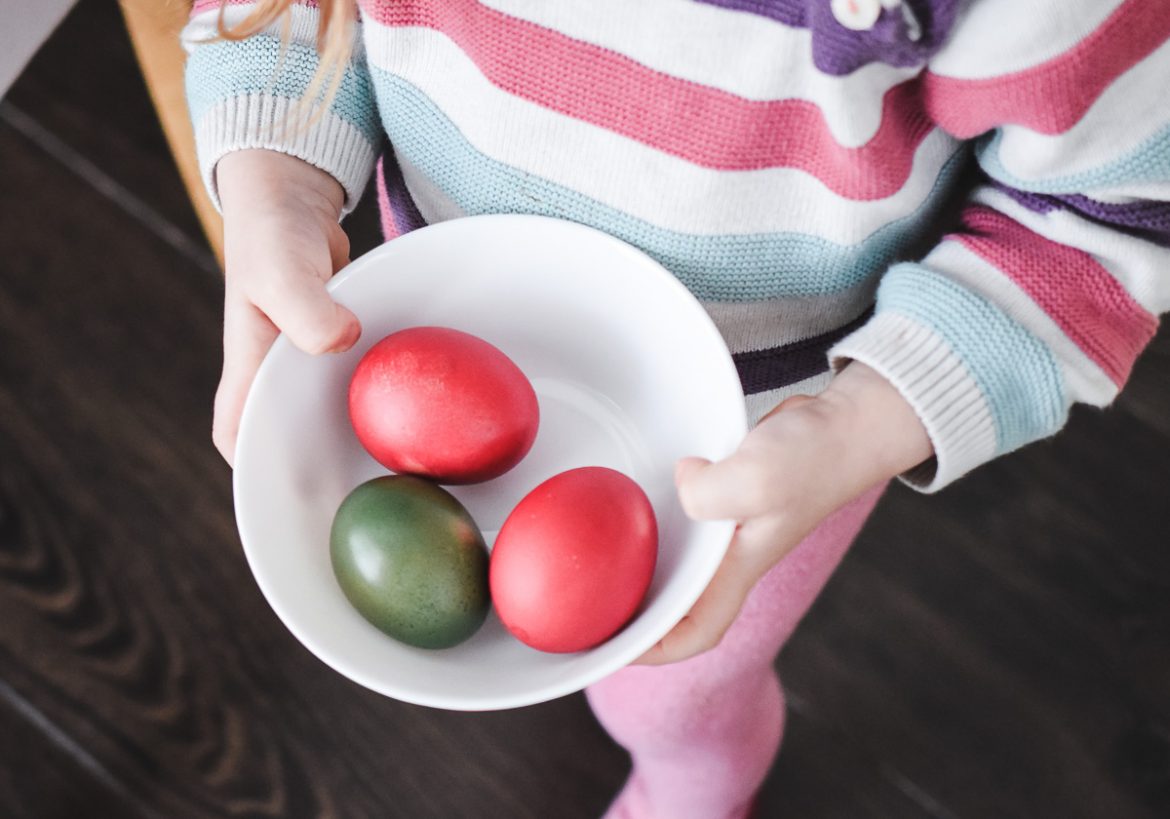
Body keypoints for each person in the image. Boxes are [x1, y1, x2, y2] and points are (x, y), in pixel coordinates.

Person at [182, 1, 1170, 816]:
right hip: (438, 285)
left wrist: (864, 421)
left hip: (769, 435)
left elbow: (1106, 219)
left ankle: (696, 787)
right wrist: (281, 181)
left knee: (674, 696)